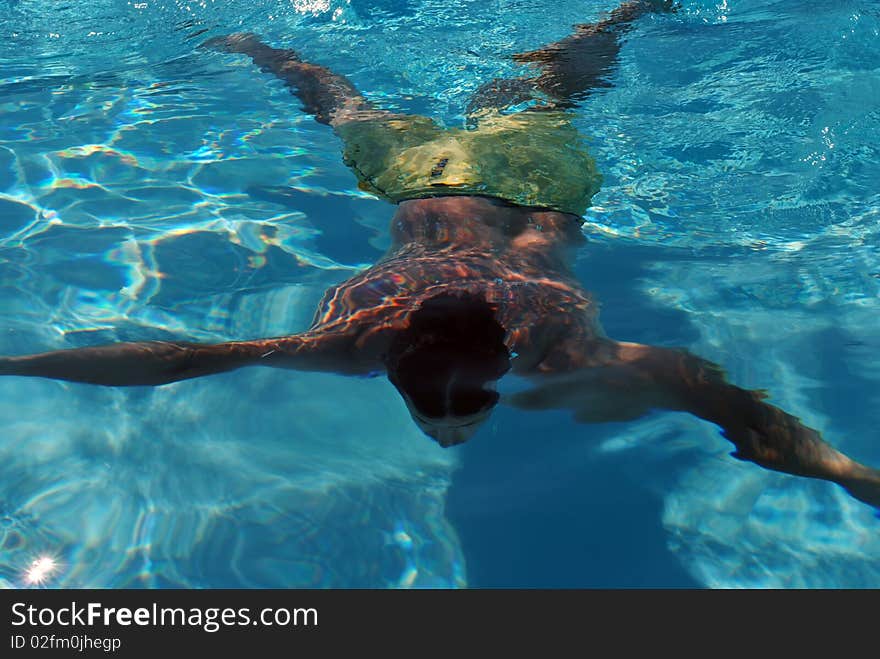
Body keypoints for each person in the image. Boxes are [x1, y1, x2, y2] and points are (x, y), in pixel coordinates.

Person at [2, 1, 878, 508]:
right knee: (344, 105)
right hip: (419, 182)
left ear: (401, 360)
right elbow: (175, 361)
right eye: (472, 412)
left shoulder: (551, 345)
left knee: (544, 94)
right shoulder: (357, 347)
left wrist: (846, 471)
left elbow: (707, 392)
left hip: (534, 194)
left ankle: (622, 15)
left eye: (443, 416)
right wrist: (15, 362)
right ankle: (253, 42)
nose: (454, 429)